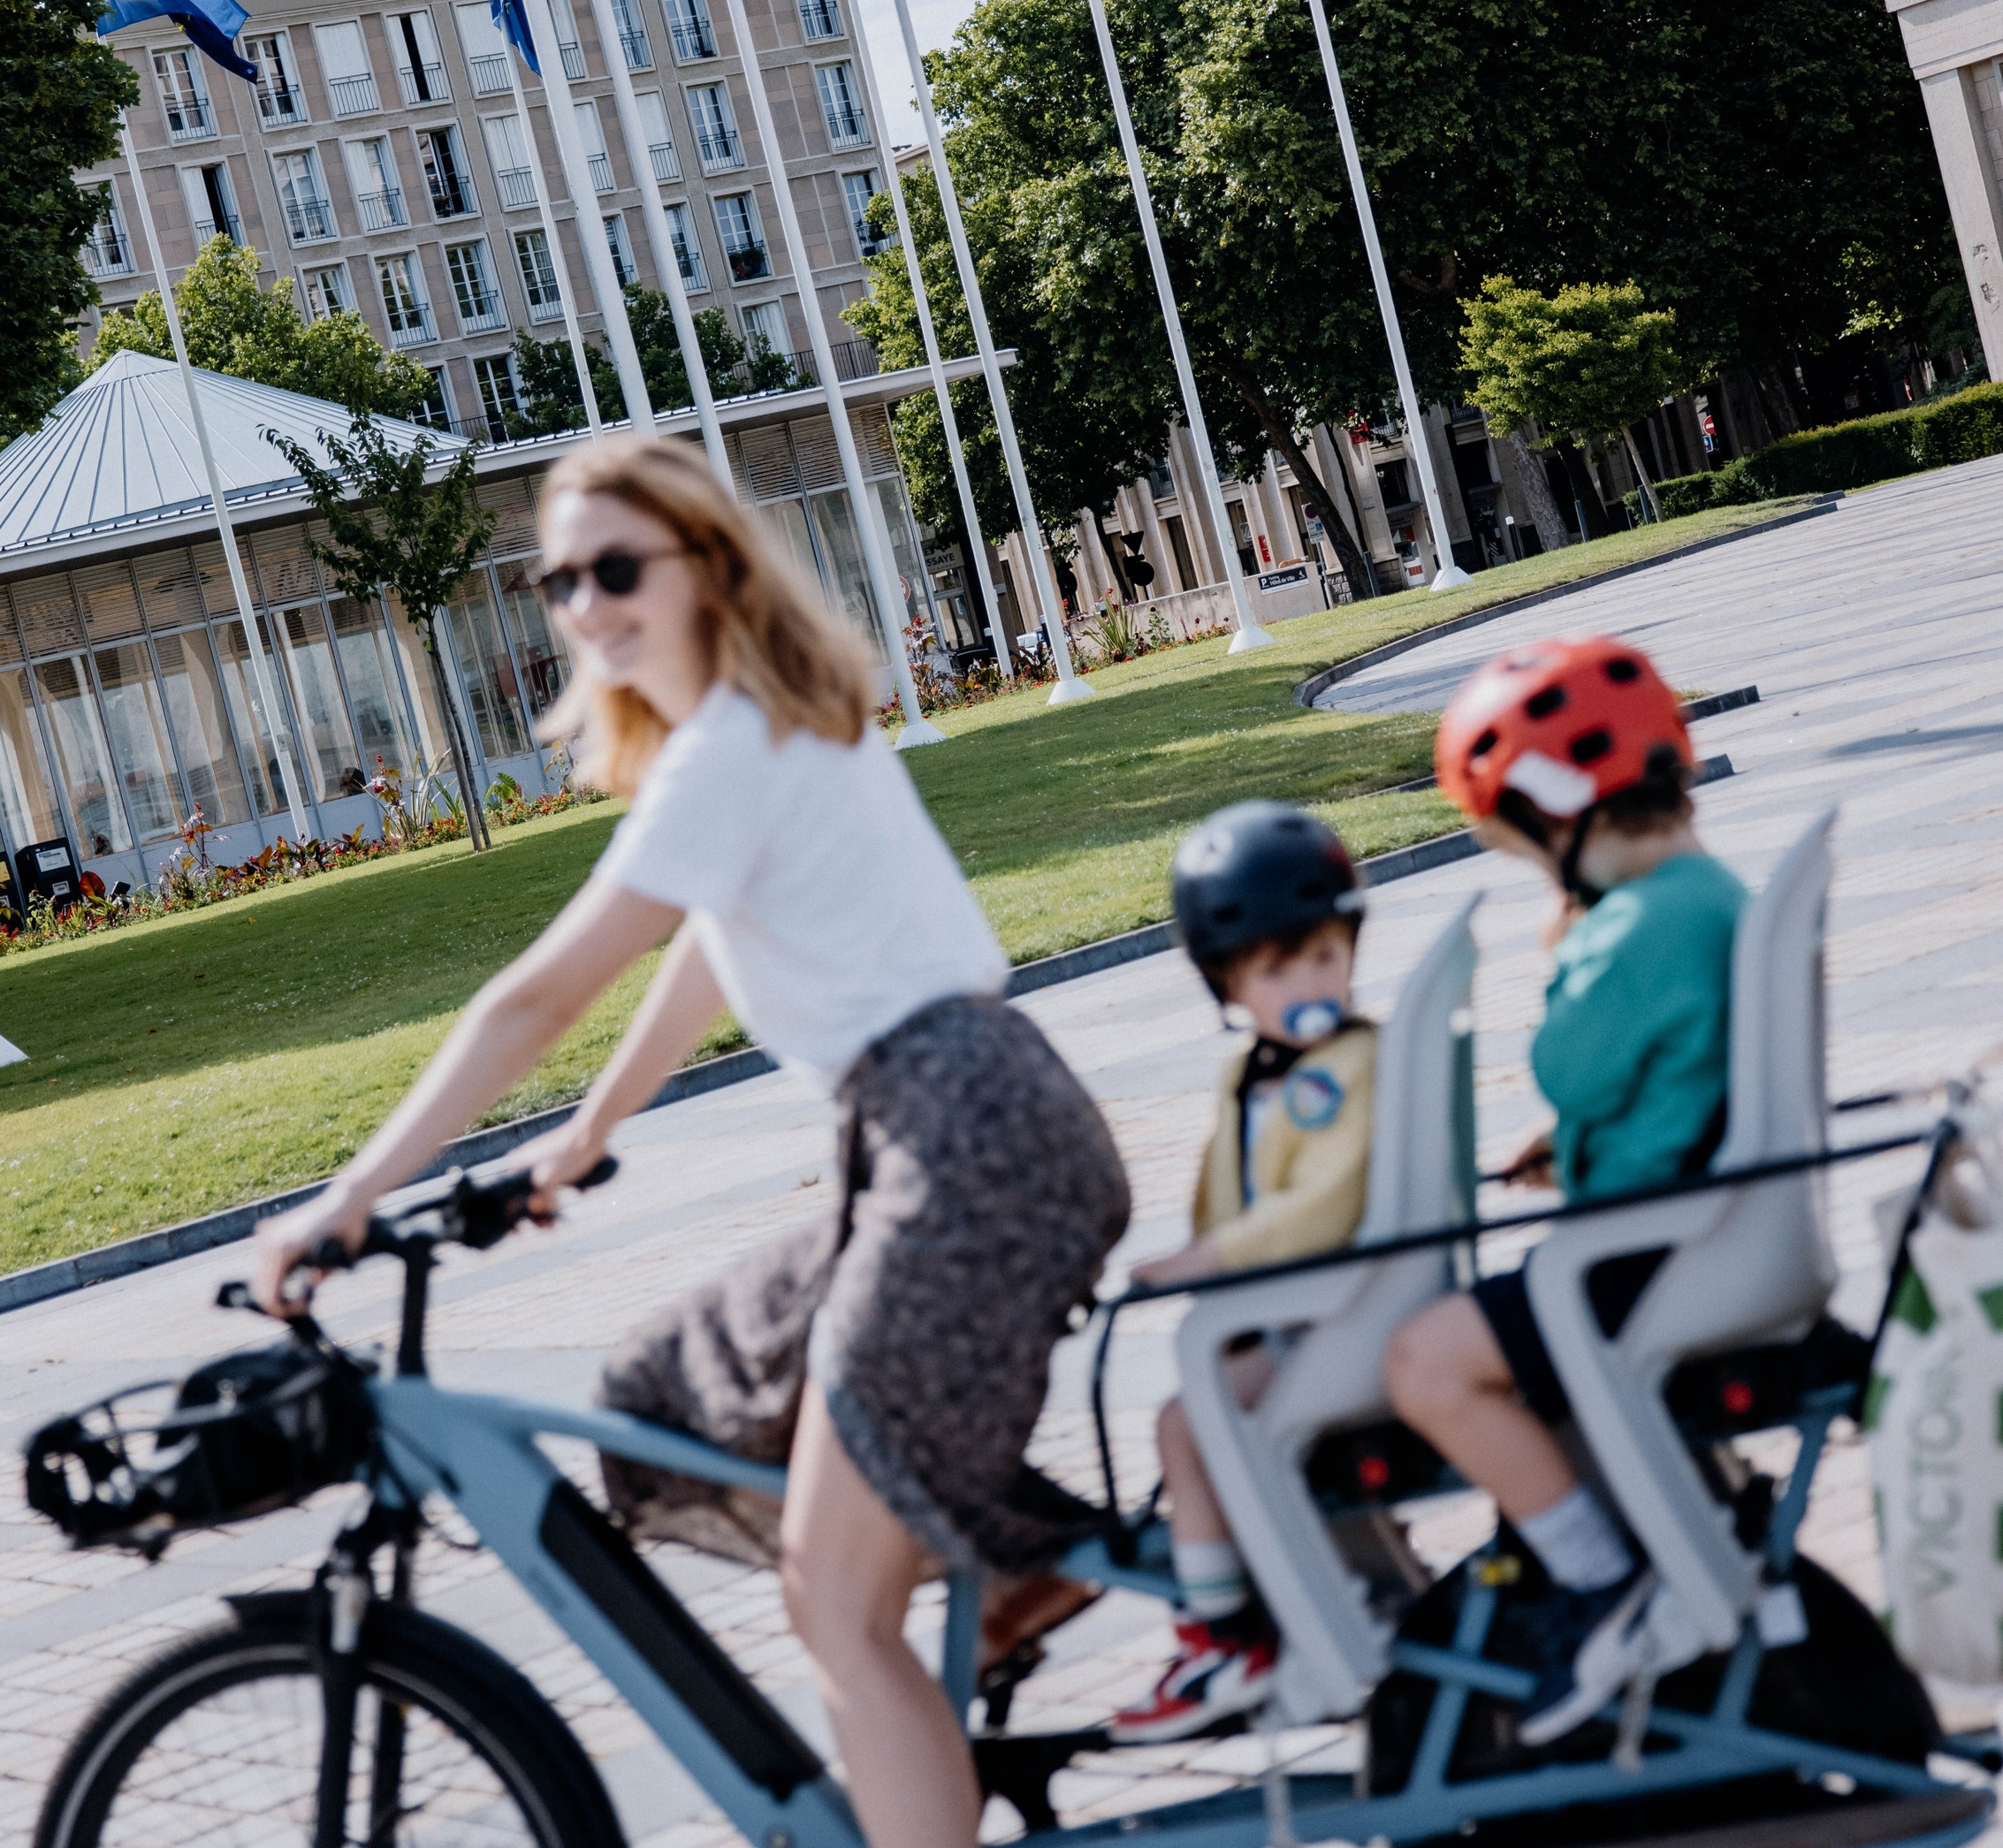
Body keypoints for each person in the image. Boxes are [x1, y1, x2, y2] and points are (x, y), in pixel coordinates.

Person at [253, 434, 1129, 1848]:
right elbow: (712, 954)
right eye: (558, 582)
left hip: (963, 1149)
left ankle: (964, 1576)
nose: (586, 606)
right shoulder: (764, 728)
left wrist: (345, 1198)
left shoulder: (729, 746)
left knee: (833, 1606)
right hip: (958, 1136)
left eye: (616, 570)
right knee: (670, 1383)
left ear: (708, 565)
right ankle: (992, 1562)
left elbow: (537, 998)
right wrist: (583, 1136)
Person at [1383, 635, 1742, 1746]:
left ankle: (1603, 1584)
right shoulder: (1705, 892)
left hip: (1643, 1255)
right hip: (1693, 1228)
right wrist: (1577, 1144)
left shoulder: (1635, 923)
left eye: (1525, 847)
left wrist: (1566, 942)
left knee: (1424, 1361)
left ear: (1559, 814)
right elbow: (1662, 1076)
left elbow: (1568, 1066)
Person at [1110, 803, 1376, 1742]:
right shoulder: (1255, 1075)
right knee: (1193, 1410)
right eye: (1275, 970)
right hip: (1299, 1314)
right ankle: (1273, 1596)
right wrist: (1207, 1263)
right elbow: (1226, 1194)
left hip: (1337, 1319)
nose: (1309, 984)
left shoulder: (1345, 1066)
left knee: (1187, 1425)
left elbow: (1322, 1206)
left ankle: (1222, 1636)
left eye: (1324, 956)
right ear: (1225, 982)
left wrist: (1209, 1260)